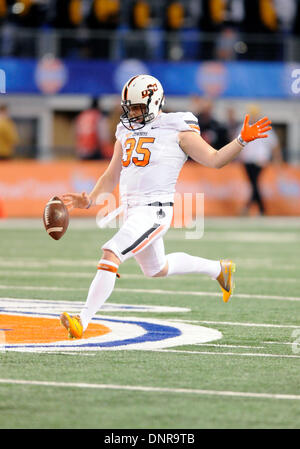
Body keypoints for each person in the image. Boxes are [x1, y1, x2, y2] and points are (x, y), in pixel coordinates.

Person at [60, 74, 272, 339]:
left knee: (111, 254)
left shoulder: (177, 127)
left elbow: (215, 159)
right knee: (156, 269)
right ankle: (219, 269)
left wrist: (241, 140)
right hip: (132, 212)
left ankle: (83, 320)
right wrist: (90, 199)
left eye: (136, 106)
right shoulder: (125, 130)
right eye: (129, 106)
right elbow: (111, 174)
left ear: (153, 101)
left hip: (154, 210)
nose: (131, 112)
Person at [239, 104, 282, 215]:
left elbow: (274, 145)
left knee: (254, 184)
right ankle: (260, 209)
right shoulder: (243, 127)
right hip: (247, 160)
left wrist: (277, 160)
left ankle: (251, 208)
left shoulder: (264, 128)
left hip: (260, 161)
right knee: (254, 184)